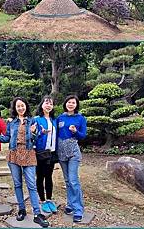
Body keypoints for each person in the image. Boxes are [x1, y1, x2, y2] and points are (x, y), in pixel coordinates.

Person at [0, 97, 49, 228]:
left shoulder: (32, 121)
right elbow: (7, 138)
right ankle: (22, 209)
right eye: (18, 106)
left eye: (22, 105)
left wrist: (33, 133)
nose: (21, 108)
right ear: (15, 108)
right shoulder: (11, 122)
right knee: (17, 184)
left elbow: (36, 138)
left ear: (26, 106)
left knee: (31, 184)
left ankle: (37, 213)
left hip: (28, 153)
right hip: (14, 154)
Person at [57, 95, 87, 223]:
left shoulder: (80, 118)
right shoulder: (60, 118)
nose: (71, 104)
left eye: (73, 103)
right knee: (68, 180)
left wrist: (75, 131)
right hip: (61, 152)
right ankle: (70, 204)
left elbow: (83, 136)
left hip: (73, 152)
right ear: (65, 104)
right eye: (69, 102)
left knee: (74, 180)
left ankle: (78, 209)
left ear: (76, 105)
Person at [34, 95, 58, 214]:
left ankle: (49, 199)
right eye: (46, 103)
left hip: (52, 152)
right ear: (42, 105)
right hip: (40, 152)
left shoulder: (54, 120)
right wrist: (40, 132)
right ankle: (42, 200)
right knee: (40, 176)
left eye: (50, 103)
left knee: (49, 176)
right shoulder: (37, 119)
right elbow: (32, 135)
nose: (48, 105)